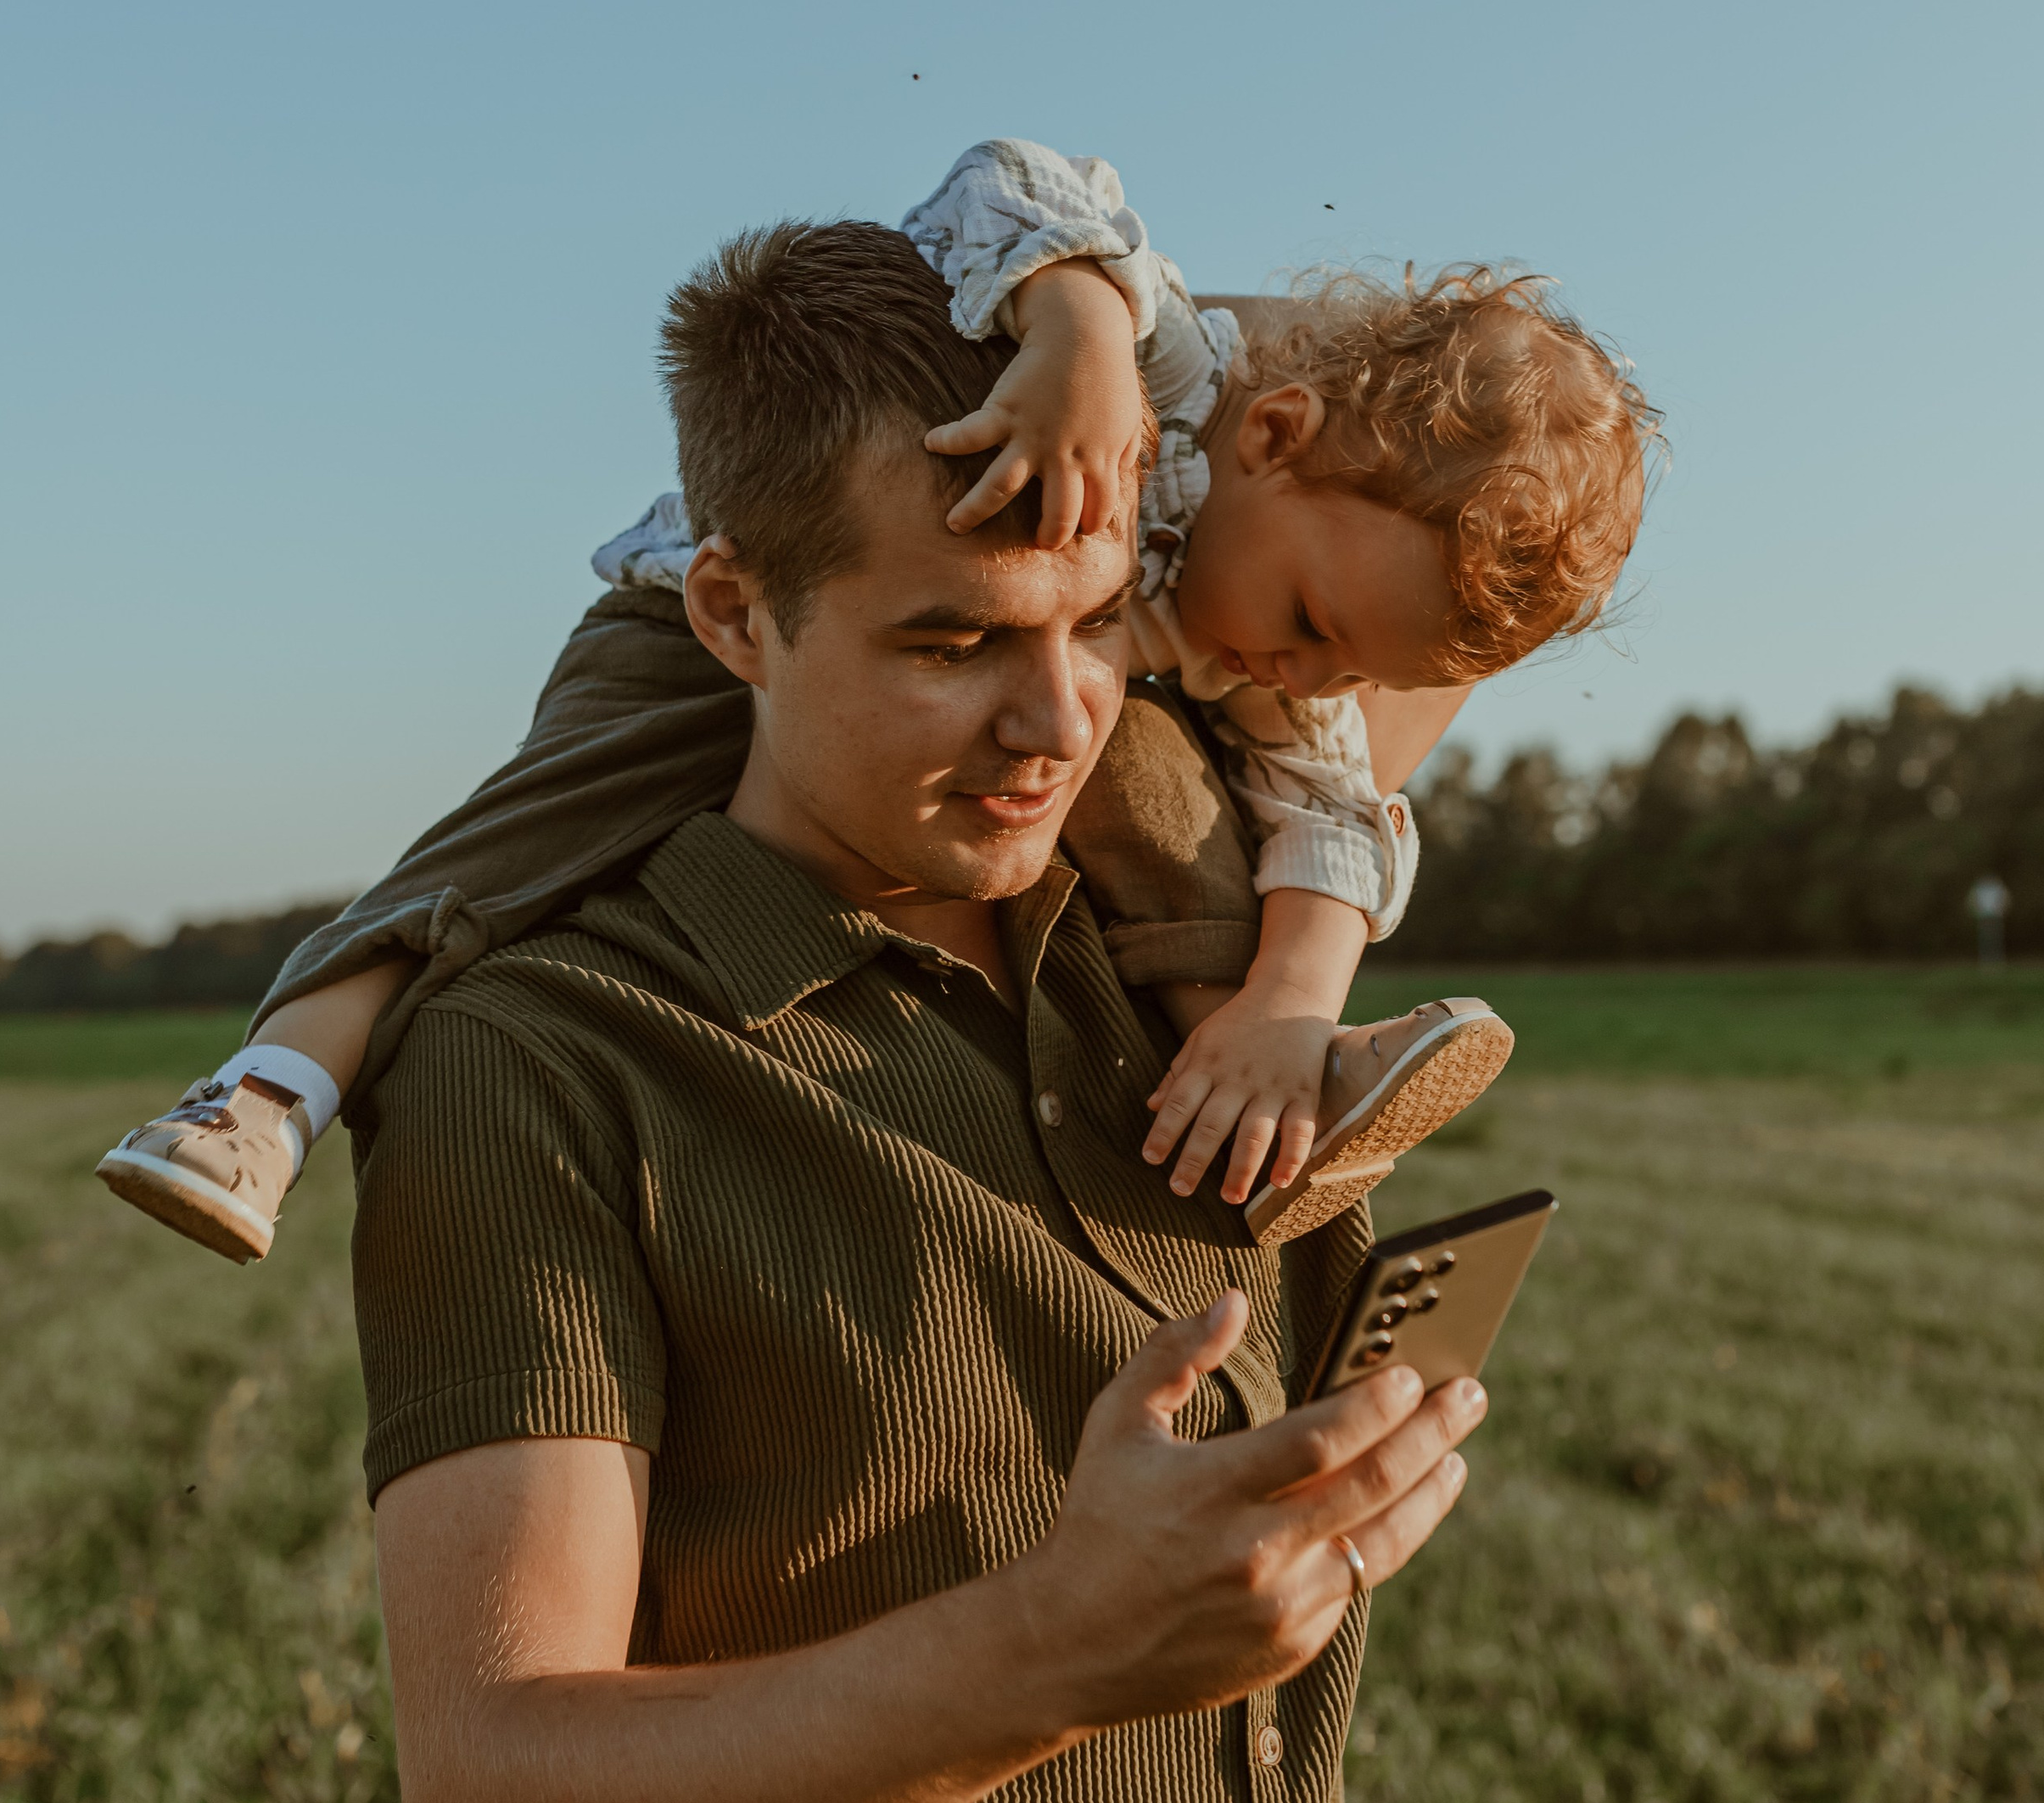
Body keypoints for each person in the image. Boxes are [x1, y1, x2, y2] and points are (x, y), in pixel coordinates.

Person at [352, 216, 1489, 1803]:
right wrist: (1062, 1642)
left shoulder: (1188, 980)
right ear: (729, 611)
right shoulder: (546, 1061)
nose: (1055, 718)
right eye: (952, 637)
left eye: (1094, 618)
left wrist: (1098, 317)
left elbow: (1475, 480)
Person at [98, 142, 1657, 1265]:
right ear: (1276, 436)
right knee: (526, 834)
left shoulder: (1277, 661)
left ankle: (1261, 1093)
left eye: (1356, 670)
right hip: (709, 609)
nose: (1307, 681)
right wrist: (1078, 325)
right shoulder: (1172, 374)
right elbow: (1015, 181)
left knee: (1183, 811)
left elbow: (1334, 810)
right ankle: (267, 1095)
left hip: (1008, 698)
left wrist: (1292, 1002)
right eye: (1314, 626)